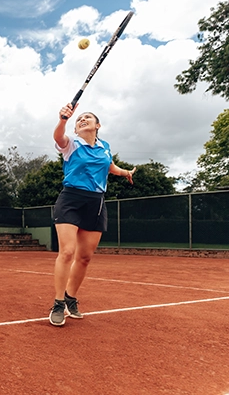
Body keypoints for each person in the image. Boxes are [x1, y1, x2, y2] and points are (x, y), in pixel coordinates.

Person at [49, 103, 135, 327]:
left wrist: (125, 172)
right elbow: (59, 137)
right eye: (79, 119)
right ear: (76, 129)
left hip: (96, 202)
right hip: (71, 200)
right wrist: (63, 120)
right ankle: (58, 304)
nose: (82, 120)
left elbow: (110, 166)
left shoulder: (105, 147)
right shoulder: (71, 144)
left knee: (85, 257)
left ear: (98, 125)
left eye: (88, 117)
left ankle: (70, 298)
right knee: (67, 252)